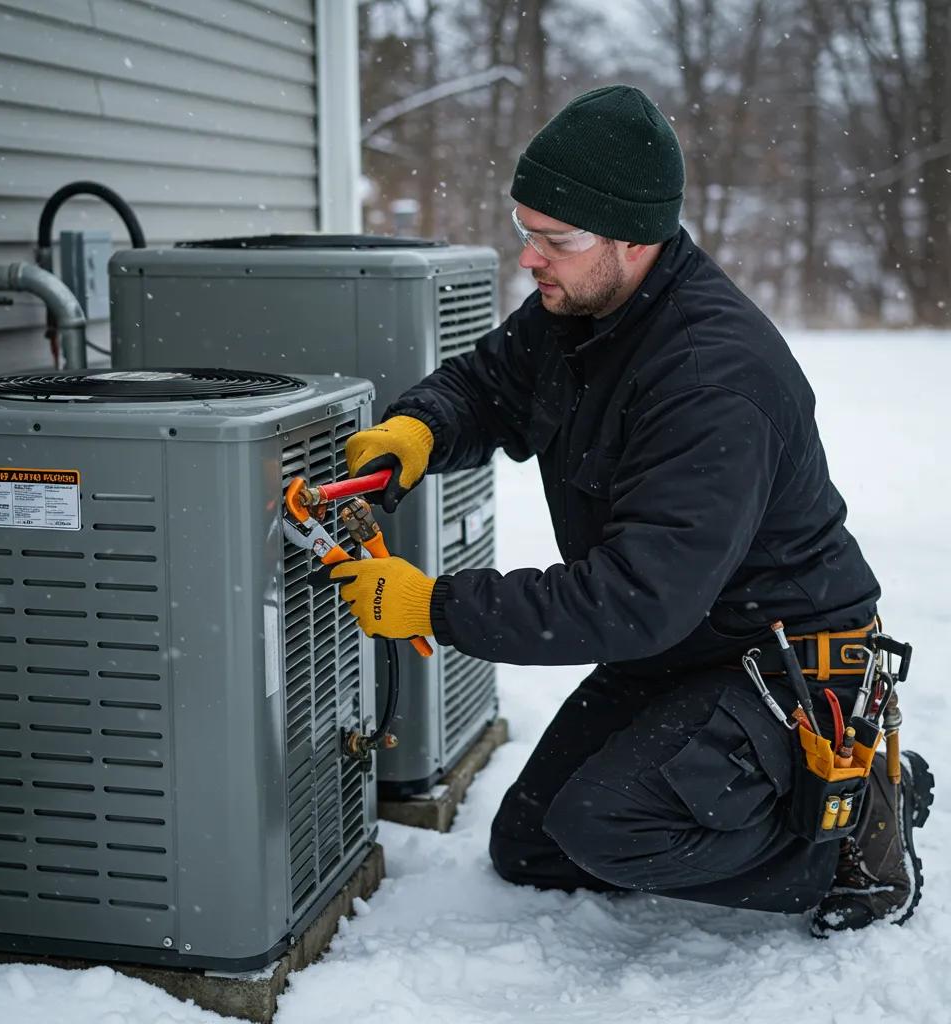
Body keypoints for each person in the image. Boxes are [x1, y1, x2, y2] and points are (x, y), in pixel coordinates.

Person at [329, 85, 933, 934]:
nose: (531, 259)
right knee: (533, 846)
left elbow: (636, 597)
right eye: (525, 231)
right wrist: (418, 431)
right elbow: (489, 385)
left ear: (634, 238)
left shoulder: (710, 380)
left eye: (557, 240)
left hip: (784, 662)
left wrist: (434, 605)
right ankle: (799, 799)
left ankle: (855, 832)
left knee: (609, 828)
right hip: (682, 646)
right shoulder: (583, 308)